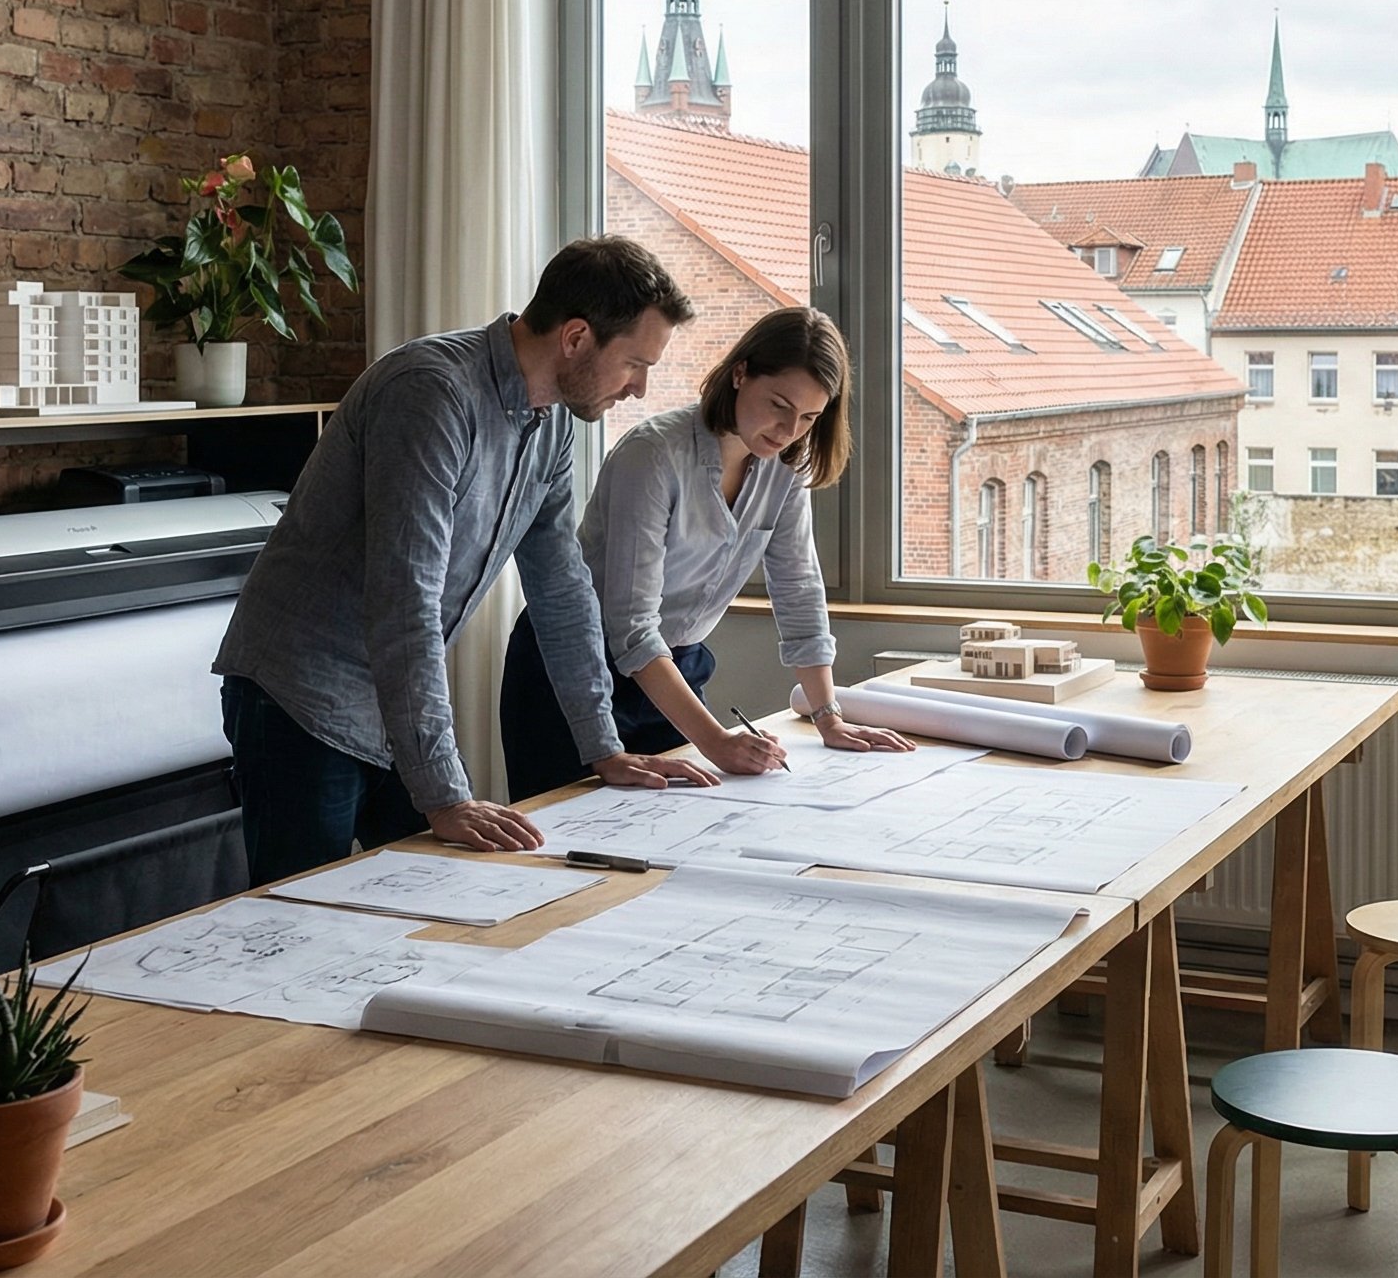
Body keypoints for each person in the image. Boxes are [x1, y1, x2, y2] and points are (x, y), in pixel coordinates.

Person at [214, 236, 720, 881]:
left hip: (393, 700)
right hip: (300, 699)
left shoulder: (553, 423)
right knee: (296, 925)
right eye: (633, 364)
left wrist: (604, 748)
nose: (641, 389)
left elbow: (562, 591)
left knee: (431, 896)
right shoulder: (431, 393)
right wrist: (445, 795)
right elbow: (406, 599)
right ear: (574, 338)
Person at [501, 306, 912, 804]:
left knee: (674, 826)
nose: (788, 430)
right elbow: (632, 629)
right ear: (740, 373)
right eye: (779, 404)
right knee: (570, 837)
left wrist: (829, 717)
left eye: (808, 417)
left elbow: (799, 590)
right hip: (573, 672)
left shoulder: (782, 470)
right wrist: (715, 740)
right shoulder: (653, 455)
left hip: (675, 668)